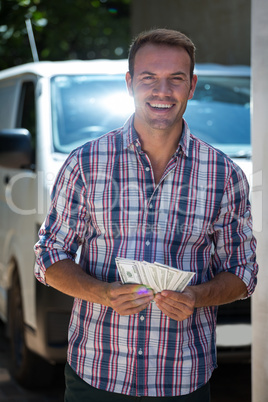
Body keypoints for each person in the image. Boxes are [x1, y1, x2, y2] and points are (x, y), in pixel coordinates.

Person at [34, 28, 258, 401]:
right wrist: (103, 293)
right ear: (129, 83)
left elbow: (244, 270)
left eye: (175, 79)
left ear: (192, 86)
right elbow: (48, 256)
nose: (162, 91)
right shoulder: (85, 164)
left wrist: (197, 296)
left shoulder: (225, 174)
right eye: (148, 78)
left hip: (183, 379)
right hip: (96, 375)